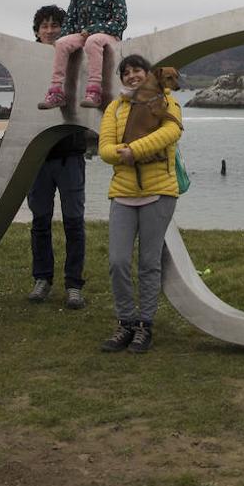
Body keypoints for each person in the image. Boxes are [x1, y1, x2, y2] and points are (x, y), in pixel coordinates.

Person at [96, 54, 183, 354]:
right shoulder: (115, 107)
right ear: (121, 79)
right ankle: (125, 323)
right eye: (126, 72)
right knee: (118, 262)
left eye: (137, 71)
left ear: (149, 74)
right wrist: (122, 152)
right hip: (122, 192)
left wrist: (134, 149)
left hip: (159, 192)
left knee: (148, 263)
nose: (132, 76)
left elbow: (171, 132)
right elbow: (104, 147)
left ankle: (145, 326)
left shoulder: (166, 101)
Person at [26, 5, 88, 309]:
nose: (50, 30)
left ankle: (74, 284)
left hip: (70, 153)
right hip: (37, 155)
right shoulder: (28, 62)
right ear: (36, 31)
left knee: (74, 222)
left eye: (56, 25)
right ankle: (42, 279)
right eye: (44, 25)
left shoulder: (78, 56)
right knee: (40, 221)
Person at [38, 0, 127, 110]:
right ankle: (56, 92)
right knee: (62, 43)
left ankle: (94, 91)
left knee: (93, 41)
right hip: (83, 34)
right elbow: (71, 17)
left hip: (107, 34)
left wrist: (94, 29)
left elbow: (120, 21)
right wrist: (63, 37)